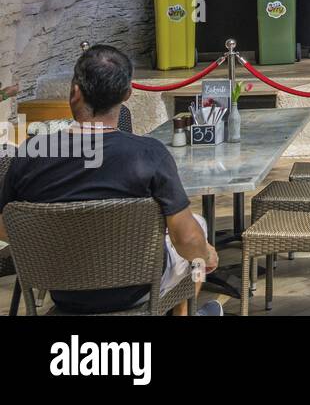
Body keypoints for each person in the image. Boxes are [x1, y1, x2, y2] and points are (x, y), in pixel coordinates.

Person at [0, 45, 221, 315]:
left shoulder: (29, 156)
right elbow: (186, 240)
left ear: (75, 91)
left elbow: (5, 226)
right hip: (137, 290)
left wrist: (62, 240)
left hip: (63, 291)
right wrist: (208, 254)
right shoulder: (150, 154)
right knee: (196, 229)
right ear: (127, 94)